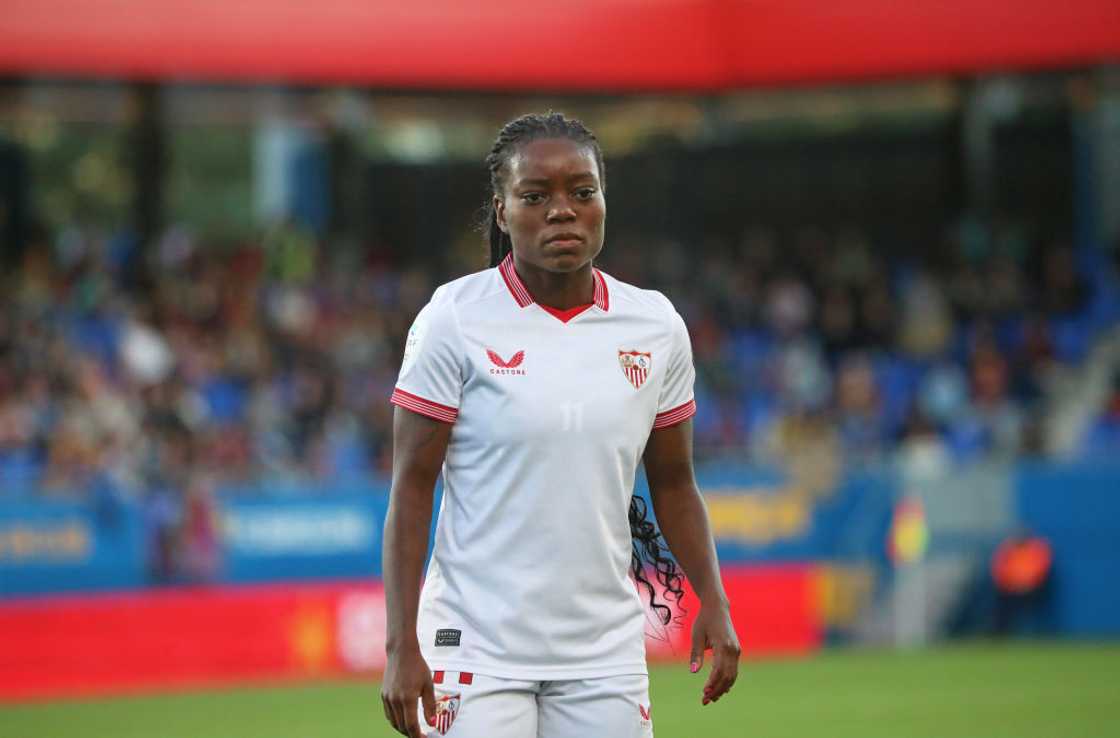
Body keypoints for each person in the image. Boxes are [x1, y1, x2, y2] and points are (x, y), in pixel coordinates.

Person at [380, 112, 739, 738]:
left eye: (581, 191)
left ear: (603, 201)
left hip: (604, 652)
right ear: (501, 211)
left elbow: (675, 483)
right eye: (535, 196)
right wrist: (400, 644)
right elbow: (412, 487)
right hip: (476, 644)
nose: (562, 211)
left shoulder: (655, 326)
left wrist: (713, 596)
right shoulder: (453, 319)